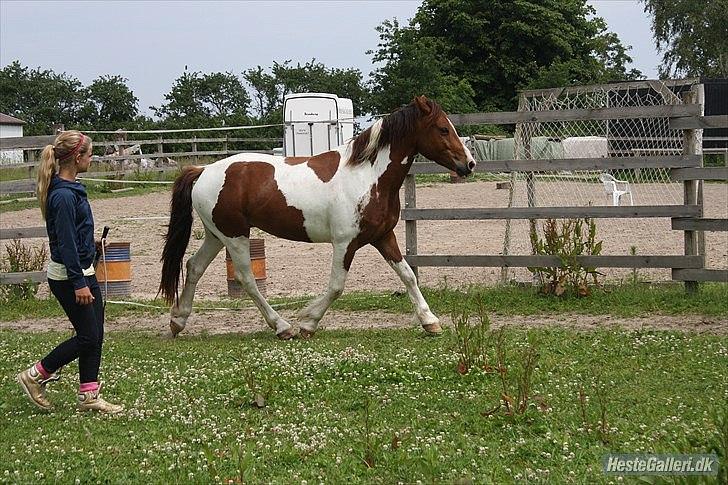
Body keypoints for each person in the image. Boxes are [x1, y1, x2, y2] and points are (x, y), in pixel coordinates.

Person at [16, 130, 122, 413]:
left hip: (82, 270)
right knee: (88, 336)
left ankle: (89, 396)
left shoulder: (72, 189)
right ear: (77, 158)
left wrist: (93, 244)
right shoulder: (62, 196)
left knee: (95, 333)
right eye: (89, 154)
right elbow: (64, 245)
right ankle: (35, 375)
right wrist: (79, 283)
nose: (92, 158)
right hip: (69, 277)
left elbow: (73, 237)